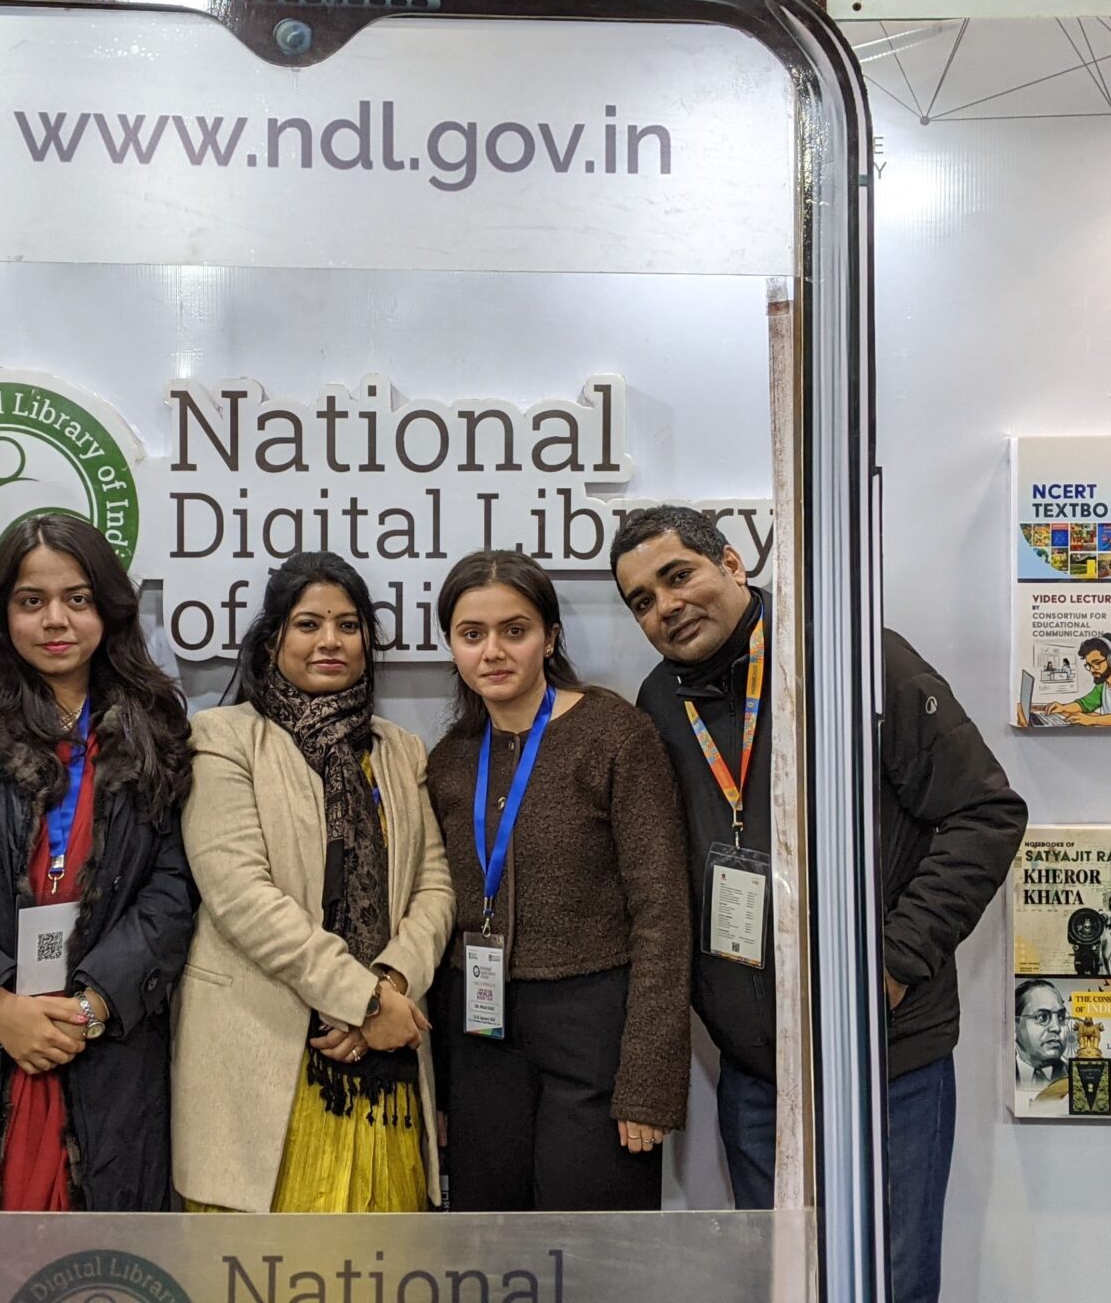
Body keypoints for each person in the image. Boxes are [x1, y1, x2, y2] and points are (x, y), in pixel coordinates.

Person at [610, 506, 1024, 1303]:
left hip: (883, 1060)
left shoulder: (858, 661)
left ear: (733, 563)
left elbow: (985, 815)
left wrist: (893, 963)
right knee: (783, 1287)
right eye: (641, 601)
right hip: (755, 1073)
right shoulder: (660, 702)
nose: (665, 607)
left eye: (677, 576)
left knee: (892, 1285)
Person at [0, 514, 196, 1211]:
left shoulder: (156, 728)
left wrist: (94, 1004)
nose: (56, 620)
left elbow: (175, 887)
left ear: (108, 609)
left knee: (99, 1258)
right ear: (3, 614)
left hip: (106, 1047)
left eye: (77, 599)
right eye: (32, 601)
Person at [172, 552, 454, 1213]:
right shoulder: (222, 739)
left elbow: (435, 887)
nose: (330, 640)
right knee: (257, 1262)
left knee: (382, 1260)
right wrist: (362, 1000)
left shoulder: (400, 749)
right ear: (273, 640)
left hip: (384, 1062)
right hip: (261, 1049)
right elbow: (242, 897)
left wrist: (389, 987)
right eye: (309, 624)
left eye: (347, 625)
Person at [422, 550, 690, 1211]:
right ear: (452, 645)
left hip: (594, 1028)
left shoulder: (615, 736)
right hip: (480, 1033)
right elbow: (435, 916)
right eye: (472, 634)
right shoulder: (450, 759)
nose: (493, 651)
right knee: (490, 1240)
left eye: (514, 630)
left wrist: (649, 1081)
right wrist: (442, 1089)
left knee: (593, 1244)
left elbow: (662, 912)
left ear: (550, 637)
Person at [1011, 980, 1068, 1110]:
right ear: (1014, 1025)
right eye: (1042, 1017)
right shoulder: (999, 1074)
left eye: (1061, 1017)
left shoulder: (1078, 1077)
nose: (1056, 1027)